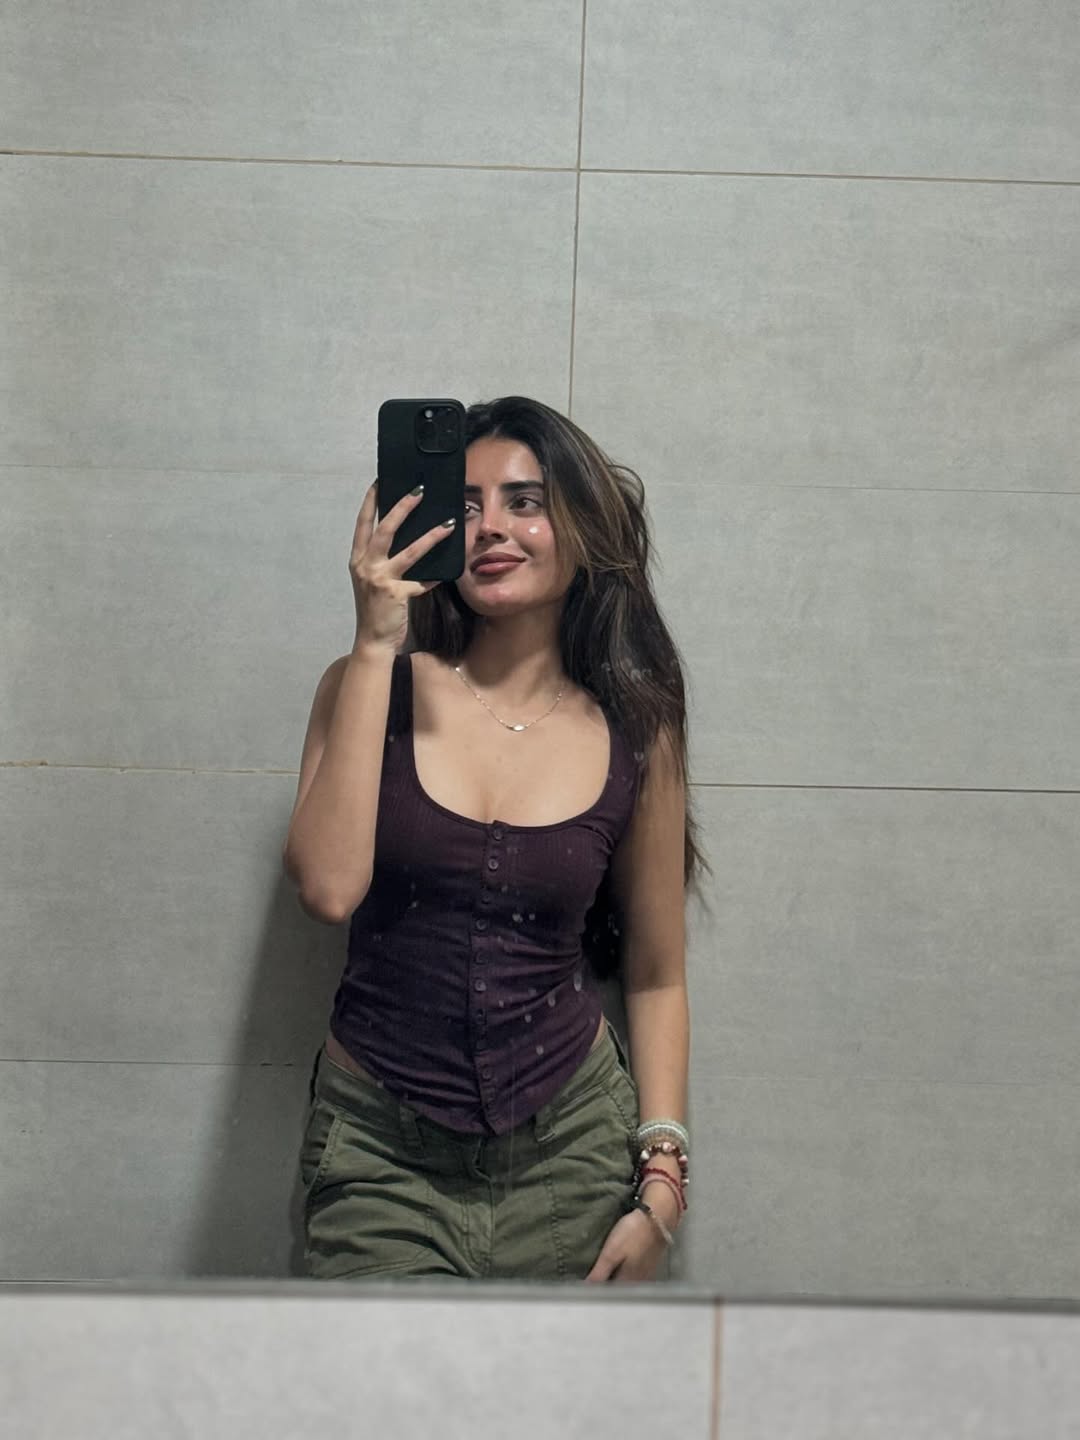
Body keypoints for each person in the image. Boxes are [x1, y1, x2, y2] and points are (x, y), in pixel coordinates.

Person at [283, 396, 711, 1282]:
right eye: (465, 505)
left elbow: (657, 973)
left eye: (525, 502)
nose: (490, 528)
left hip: (573, 1151)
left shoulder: (639, 732)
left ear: (582, 527)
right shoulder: (366, 687)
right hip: (379, 1153)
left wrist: (662, 1180)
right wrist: (374, 642)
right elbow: (327, 889)